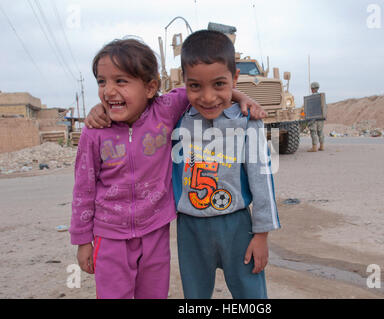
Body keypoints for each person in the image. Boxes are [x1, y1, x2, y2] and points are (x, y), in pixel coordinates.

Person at [70, 38, 263, 299]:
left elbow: (207, 88)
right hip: (109, 235)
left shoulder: (165, 110)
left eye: (120, 81)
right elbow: (83, 188)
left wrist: (241, 96)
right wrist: (83, 241)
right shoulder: (95, 132)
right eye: (102, 82)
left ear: (150, 88)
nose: (108, 91)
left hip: (155, 232)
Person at [172, 30, 280, 299]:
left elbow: (262, 181)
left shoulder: (247, 123)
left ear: (234, 80)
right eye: (195, 86)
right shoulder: (177, 119)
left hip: (237, 227)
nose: (208, 97)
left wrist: (262, 235)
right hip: (190, 228)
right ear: (184, 82)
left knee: (250, 294)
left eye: (219, 85)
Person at [307, 81, 325, 152]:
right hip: (321, 118)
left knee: (313, 132)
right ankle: (322, 146)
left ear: (312, 88)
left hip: (313, 119)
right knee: (320, 132)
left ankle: (314, 147)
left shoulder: (310, 98)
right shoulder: (321, 97)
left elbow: (307, 109)